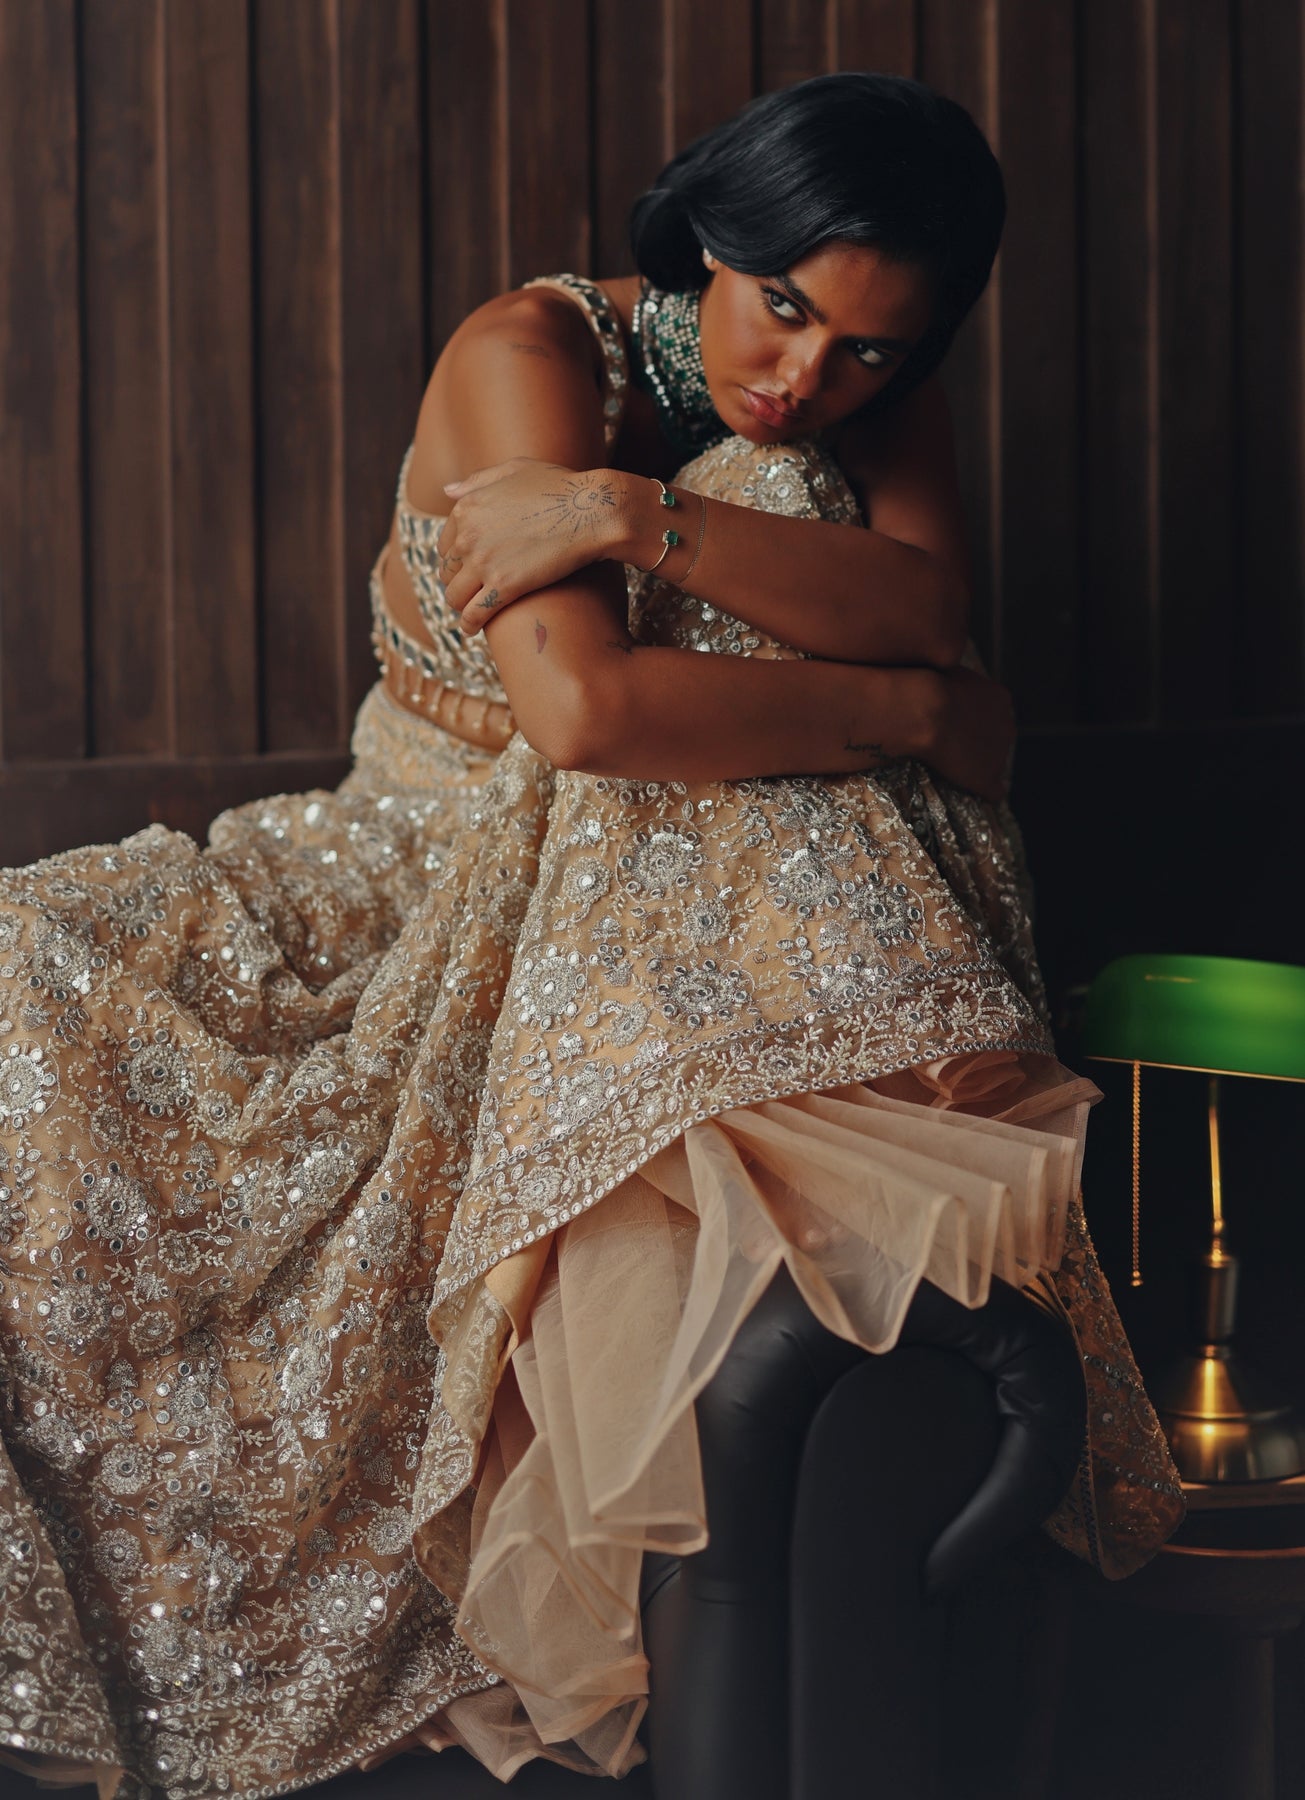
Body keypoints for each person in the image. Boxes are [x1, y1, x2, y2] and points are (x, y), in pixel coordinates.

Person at [0, 72, 1180, 1800]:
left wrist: (632, 515)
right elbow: (587, 716)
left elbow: (931, 606)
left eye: (869, 349)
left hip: (664, 885)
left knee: (767, 483)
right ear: (710, 237)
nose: (807, 374)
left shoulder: (858, 405)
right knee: (43, 981)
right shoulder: (531, 356)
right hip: (417, 850)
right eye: (781, 305)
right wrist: (917, 718)